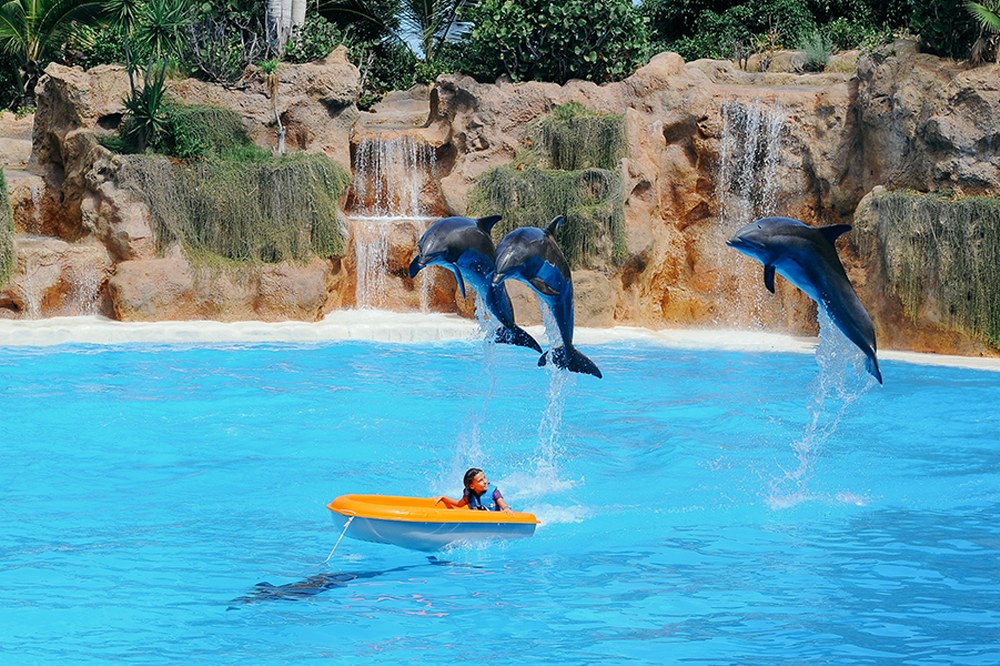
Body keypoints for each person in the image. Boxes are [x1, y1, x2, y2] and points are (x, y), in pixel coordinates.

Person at [437, 467, 512, 513]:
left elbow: (503, 505)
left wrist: (506, 509)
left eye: (484, 478)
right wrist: (444, 498)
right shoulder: (469, 495)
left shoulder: (494, 492)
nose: (485, 482)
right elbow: (459, 504)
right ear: (472, 486)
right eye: (480, 481)